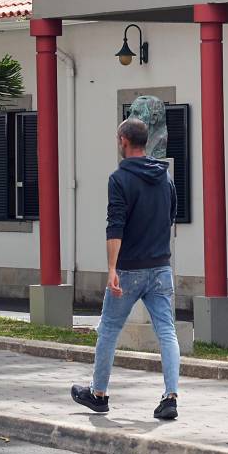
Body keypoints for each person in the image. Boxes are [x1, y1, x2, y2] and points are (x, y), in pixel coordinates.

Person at [71, 118, 181, 420]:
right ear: (145, 142)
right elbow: (172, 215)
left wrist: (111, 268)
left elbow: (115, 226)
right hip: (160, 267)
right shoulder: (165, 177)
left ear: (123, 141)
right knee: (167, 331)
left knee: (108, 329)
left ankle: (99, 394)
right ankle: (170, 396)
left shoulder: (119, 179)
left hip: (130, 268)